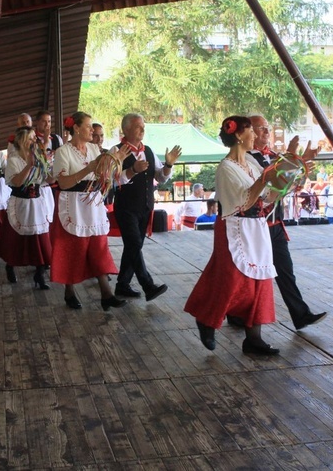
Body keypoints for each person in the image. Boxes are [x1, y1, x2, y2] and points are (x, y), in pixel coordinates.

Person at [184, 116, 282, 355]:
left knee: (259, 280)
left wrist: (289, 176)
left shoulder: (250, 161)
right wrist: (264, 179)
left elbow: (268, 196)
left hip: (256, 227)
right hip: (234, 227)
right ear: (239, 135)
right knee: (231, 280)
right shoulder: (226, 168)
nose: (256, 137)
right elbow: (243, 200)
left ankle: (254, 338)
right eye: (251, 132)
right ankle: (207, 320)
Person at [240, 114, 326, 331]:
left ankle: (301, 315)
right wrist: (294, 160)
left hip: (275, 223)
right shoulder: (246, 159)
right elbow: (269, 187)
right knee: (249, 275)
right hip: (256, 225)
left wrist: (301, 164)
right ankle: (236, 315)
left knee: (285, 270)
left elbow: (290, 186)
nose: (266, 132)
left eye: (267, 128)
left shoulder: (274, 156)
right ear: (249, 132)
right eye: (260, 128)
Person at [51, 111, 129, 311]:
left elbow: (104, 175)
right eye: (87, 126)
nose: (92, 130)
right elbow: (63, 182)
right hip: (73, 203)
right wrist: (87, 170)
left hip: (93, 202)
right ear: (76, 128)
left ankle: (106, 293)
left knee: (98, 246)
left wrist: (115, 161)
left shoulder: (94, 149)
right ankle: (69, 290)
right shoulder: (63, 152)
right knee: (74, 247)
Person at [112, 113, 181, 301]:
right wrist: (133, 170)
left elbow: (160, 176)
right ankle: (148, 285)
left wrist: (168, 164)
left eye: (143, 126)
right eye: (138, 127)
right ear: (126, 129)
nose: (142, 130)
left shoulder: (148, 150)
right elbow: (112, 180)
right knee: (134, 244)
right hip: (126, 207)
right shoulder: (117, 150)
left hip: (145, 206)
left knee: (133, 247)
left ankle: (122, 284)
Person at [0, 126, 53, 288]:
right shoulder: (13, 160)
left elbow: (48, 180)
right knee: (16, 239)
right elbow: (17, 182)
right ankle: (10, 265)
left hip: (37, 203)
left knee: (40, 239)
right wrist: (29, 165)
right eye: (31, 138)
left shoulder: (39, 157)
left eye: (35, 138)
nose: (35, 140)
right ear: (21, 141)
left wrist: (50, 167)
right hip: (20, 202)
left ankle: (39, 274)